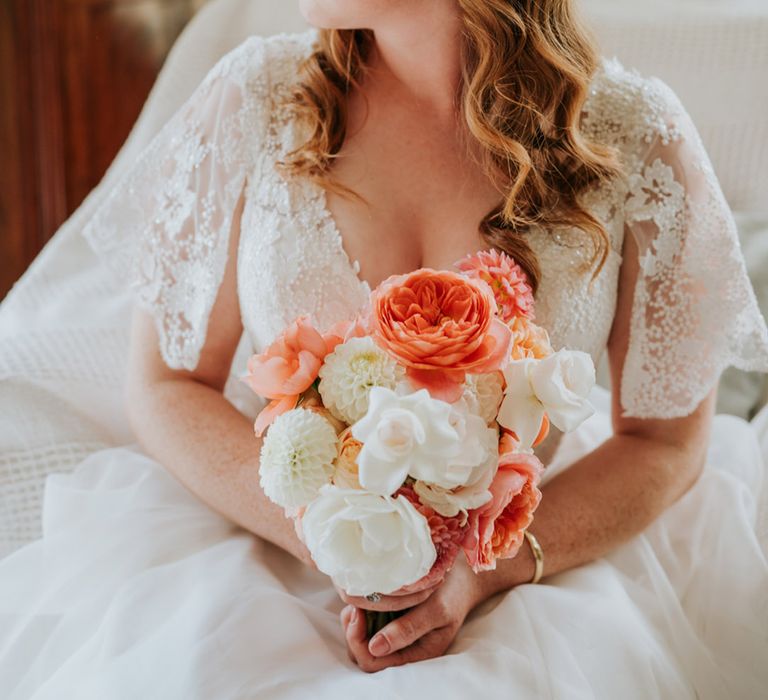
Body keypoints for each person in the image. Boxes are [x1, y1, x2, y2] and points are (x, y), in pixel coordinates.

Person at [1, 0, 767, 697]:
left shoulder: (635, 135)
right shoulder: (254, 99)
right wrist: (328, 541)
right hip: (268, 542)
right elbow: (167, 383)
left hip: (535, 557)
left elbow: (663, 441)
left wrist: (475, 573)